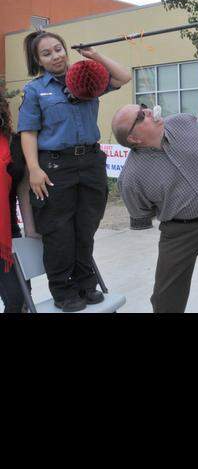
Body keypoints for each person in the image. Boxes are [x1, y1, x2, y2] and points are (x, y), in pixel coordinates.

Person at [17, 30, 130, 312]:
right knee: (58, 231)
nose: (55, 55)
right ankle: (63, 290)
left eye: (58, 49)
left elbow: (122, 77)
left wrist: (95, 55)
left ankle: (85, 283)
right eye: (47, 53)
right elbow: (28, 132)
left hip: (90, 162)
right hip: (55, 166)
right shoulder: (35, 90)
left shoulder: (85, 76)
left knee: (86, 227)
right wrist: (33, 169)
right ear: (38, 60)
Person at [112, 103, 198, 313]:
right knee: (167, 297)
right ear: (134, 139)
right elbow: (142, 215)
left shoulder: (184, 122)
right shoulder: (131, 179)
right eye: (140, 116)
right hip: (180, 234)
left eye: (144, 107)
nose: (148, 111)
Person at [1, 96, 38, 314]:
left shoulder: (15, 143)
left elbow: (23, 188)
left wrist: (31, 229)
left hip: (8, 234)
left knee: (21, 298)